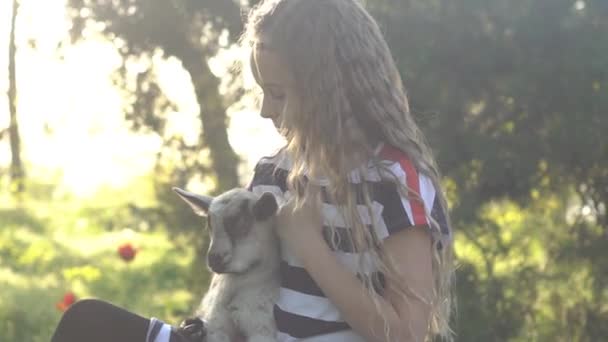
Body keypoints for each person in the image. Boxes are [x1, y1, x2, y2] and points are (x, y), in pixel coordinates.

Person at [51, 0, 454, 341]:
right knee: (87, 322)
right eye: (262, 91)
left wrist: (308, 243)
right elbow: (237, 287)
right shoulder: (274, 174)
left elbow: (407, 332)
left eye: (278, 94)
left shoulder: (393, 182)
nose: (265, 110)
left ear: (331, 90)